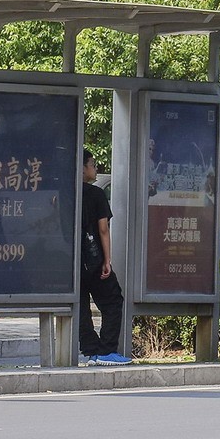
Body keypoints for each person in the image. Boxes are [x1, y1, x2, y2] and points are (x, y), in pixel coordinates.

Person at [79, 150, 128, 365]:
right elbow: (103, 230)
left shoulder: (64, 193)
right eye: (92, 163)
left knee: (80, 306)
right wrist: (107, 260)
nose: (95, 168)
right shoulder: (95, 194)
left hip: (72, 263)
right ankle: (107, 351)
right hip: (94, 260)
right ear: (82, 168)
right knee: (112, 300)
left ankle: (90, 349)